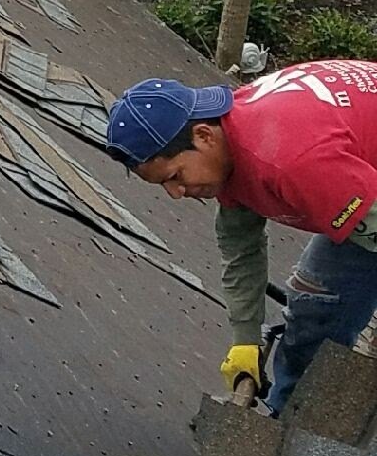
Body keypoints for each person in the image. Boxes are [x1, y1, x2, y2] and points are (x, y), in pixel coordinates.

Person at [106, 63, 377, 411]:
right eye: (164, 185)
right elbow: (241, 250)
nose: (176, 193)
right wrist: (245, 339)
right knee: (317, 308)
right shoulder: (230, 143)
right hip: (357, 180)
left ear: (204, 136)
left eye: (175, 176)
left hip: (350, 183)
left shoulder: (289, 159)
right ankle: (293, 430)